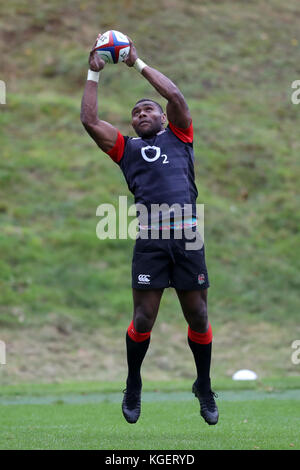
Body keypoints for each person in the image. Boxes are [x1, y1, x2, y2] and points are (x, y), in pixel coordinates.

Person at [80, 35, 218, 426]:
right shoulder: (126, 149)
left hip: (188, 238)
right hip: (152, 241)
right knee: (143, 320)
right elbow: (90, 121)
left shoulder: (180, 136)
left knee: (198, 316)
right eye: (136, 113)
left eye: (147, 110)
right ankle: (134, 384)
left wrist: (137, 64)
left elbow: (175, 96)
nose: (141, 114)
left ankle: (204, 385)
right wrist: (94, 71)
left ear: (162, 118)